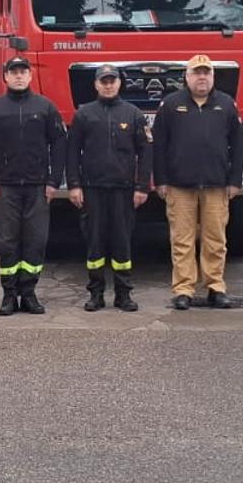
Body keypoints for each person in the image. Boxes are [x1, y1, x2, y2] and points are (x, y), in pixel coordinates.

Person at [153, 55, 243, 311]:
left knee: (215, 238)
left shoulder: (226, 105)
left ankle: (216, 287)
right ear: (187, 77)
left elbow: (238, 146)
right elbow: (159, 146)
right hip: (179, 185)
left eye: (207, 72)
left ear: (213, 77)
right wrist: (160, 180)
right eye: (197, 72)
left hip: (217, 184)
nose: (202, 77)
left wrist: (235, 180)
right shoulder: (171, 105)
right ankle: (184, 289)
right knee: (182, 240)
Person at [0, 57, 67, 316]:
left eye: (23, 72)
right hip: (6, 188)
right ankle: (8, 295)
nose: (18, 76)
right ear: (5, 77)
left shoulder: (45, 108)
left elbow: (59, 145)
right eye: (13, 72)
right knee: (7, 243)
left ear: (30, 76)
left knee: (35, 242)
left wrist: (53, 181)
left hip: (37, 187)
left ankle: (28, 293)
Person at [64, 64, 151, 312]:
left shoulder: (133, 114)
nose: (109, 84)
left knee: (122, 242)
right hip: (92, 190)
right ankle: (96, 294)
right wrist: (74, 185)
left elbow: (146, 152)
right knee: (95, 243)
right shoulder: (84, 115)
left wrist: (142, 186)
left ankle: (123, 295)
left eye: (112, 80)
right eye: (104, 81)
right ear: (96, 84)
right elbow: (72, 152)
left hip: (124, 190)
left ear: (119, 83)